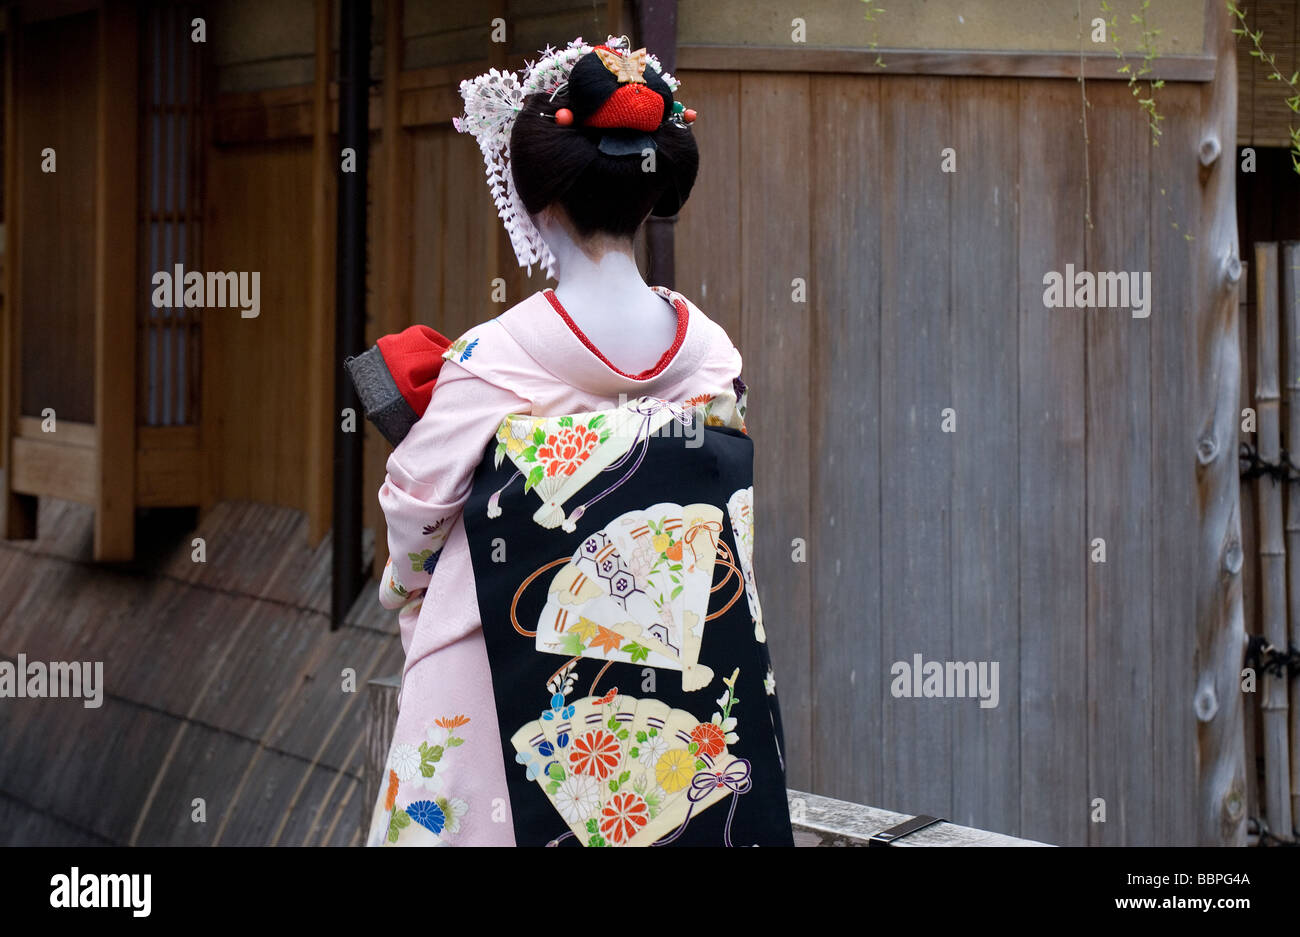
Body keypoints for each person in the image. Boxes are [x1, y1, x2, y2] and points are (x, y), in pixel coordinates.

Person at [365, 35, 793, 847]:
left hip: (494, 673)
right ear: (647, 198)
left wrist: (410, 594)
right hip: (674, 677)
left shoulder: (497, 359)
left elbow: (414, 510)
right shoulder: (712, 358)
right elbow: (728, 527)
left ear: (539, 203)